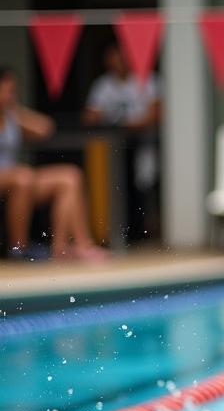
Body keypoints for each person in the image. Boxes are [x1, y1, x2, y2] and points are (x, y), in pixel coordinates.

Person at [0, 67, 108, 262]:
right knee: (23, 177)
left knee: (69, 176)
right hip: (12, 178)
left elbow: (45, 128)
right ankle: (18, 249)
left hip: (19, 181)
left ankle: (68, 247)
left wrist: (14, 110)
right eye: (6, 91)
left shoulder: (11, 116)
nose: (10, 95)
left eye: (12, 91)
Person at [82, 42, 161, 243]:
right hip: (113, 150)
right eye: (112, 57)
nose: (116, 62)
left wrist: (124, 124)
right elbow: (89, 117)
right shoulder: (103, 85)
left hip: (143, 146)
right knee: (116, 190)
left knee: (143, 189)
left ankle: (143, 233)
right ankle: (116, 234)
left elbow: (156, 113)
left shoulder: (146, 79)